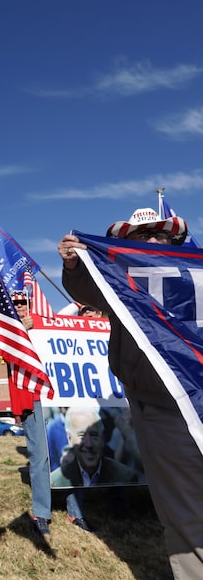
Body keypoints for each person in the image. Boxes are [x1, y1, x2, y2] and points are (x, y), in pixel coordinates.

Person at [60, 207, 203, 577]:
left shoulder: (194, 274)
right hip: (162, 407)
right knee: (187, 510)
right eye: (141, 237)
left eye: (162, 236)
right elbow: (86, 288)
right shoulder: (122, 278)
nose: (154, 242)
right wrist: (76, 265)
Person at [7, 289, 53, 543]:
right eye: (16, 304)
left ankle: (75, 510)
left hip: (59, 397)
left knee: (68, 452)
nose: (21, 307)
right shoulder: (10, 332)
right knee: (40, 457)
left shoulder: (44, 324)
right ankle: (41, 513)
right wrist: (22, 330)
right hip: (32, 398)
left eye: (24, 303)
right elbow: (7, 352)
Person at [50, 405, 142, 489]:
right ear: (70, 439)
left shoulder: (125, 478)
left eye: (94, 435)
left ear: (102, 438)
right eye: (82, 436)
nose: (89, 444)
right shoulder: (55, 482)